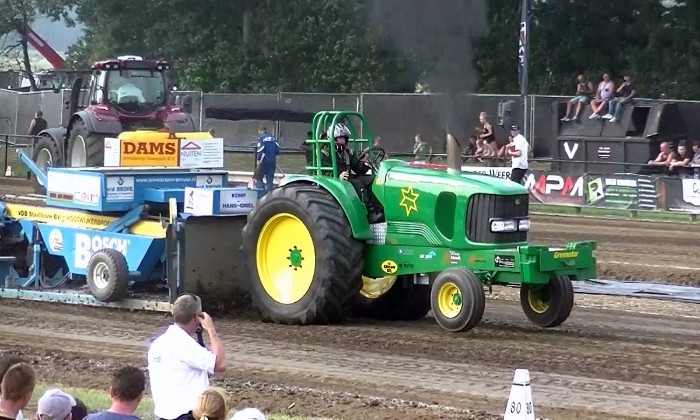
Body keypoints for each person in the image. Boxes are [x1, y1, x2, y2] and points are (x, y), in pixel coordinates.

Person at [147, 294, 226, 420]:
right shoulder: (185, 345)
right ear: (196, 317)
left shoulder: (157, 344)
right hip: (186, 416)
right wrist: (211, 330)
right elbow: (220, 364)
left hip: (162, 416)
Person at [254, 126, 280, 193]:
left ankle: (261, 193)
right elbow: (277, 149)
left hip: (263, 161)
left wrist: (258, 160)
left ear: (259, 131)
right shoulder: (273, 138)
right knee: (270, 179)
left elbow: (260, 149)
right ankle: (269, 195)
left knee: (259, 177)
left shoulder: (261, 138)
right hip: (272, 161)